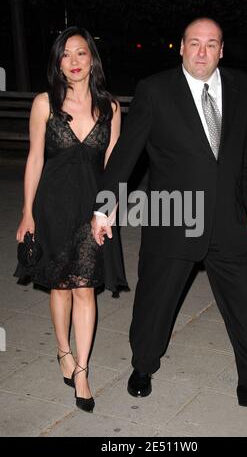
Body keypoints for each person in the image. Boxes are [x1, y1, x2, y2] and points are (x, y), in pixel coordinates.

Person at [92, 18, 247, 410]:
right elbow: (126, 155)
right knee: (156, 299)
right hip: (174, 216)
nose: (202, 51)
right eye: (195, 43)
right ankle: (143, 365)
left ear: (222, 50)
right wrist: (105, 206)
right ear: (181, 47)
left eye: (211, 44)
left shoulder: (241, 86)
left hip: (229, 219)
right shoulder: (155, 90)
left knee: (243, 302)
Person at [14, 26, 128, 413]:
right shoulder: (45, 103)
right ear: (58, 62)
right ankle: (62, 349)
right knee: (60, 286)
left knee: (85, 289)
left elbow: (114, 165)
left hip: (92, 210)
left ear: (92, 58)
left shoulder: (110, 107)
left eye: (81, 53)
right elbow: (34, 159)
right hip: (52, 206)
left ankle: (82, 370)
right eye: (66, 55)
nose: (75, 62)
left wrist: (109, 211)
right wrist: (27, 213)